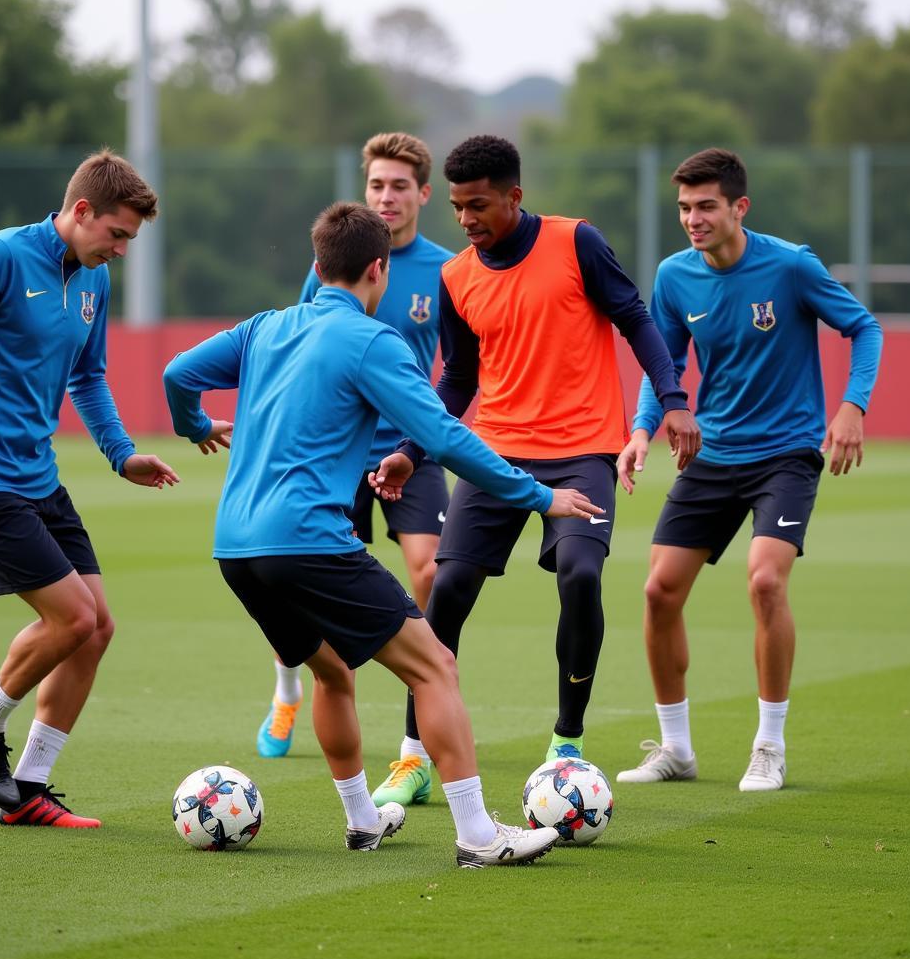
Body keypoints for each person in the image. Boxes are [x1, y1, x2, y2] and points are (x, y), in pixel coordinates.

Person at [163, 201, 599, 867]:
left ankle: (364, 821)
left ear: (316, 266)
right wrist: (538, 495)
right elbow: (445, 436)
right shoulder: (371, 341)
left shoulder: (264, 328)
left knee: (332, 672)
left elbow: (177, 375)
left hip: (237, 547)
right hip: (308, 540)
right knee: (436, 666)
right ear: (379, 269)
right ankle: (480, 835)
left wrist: (195, 426)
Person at [370, 135, 701, 805]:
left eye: (480, 206)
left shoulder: (576, 242)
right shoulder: (456, 276)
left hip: (583, 452)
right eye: (459, 208)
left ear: (514, 197)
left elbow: (637, 320)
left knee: (580, 576)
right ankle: (412, 758)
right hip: (494, 455)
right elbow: (459, 380)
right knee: (447, 587)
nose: (467, 220)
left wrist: (671, 401)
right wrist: (411, 448)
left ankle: (567, 744)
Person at [0, 149, 178, 828]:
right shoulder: (0, 257)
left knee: (97, 629)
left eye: (129, 241)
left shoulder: (93, 279)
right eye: (116, 234)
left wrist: (121, 455)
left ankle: (28, 786)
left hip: (38, 476)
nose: (121, 250)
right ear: (81, 211)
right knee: (73, 618)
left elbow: (87, 377)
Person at [615, 147, 883, 792]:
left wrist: (851, 408)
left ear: (740, 206)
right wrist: (641, 430)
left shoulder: (791, 265)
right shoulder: (676, 277)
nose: (693, 218)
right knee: (657, 593)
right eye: (684, 207)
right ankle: (676, 749)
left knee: (765, 582)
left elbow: (865, 328)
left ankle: (769, 745)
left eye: (706, 205)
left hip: (786, 455)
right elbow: (666, 366)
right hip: (712, 456)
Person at [256, 132, 454, 765]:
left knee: (430, 568)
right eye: (376, 185)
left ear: (423, 193)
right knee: (297, 575)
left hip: (407, 447)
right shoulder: (334, 267)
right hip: (335, 450)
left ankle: (416, 696)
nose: (386, 197)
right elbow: (301, 347)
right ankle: (291, 684)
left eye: (399, 186)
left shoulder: (447, 271)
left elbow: (460, 368)